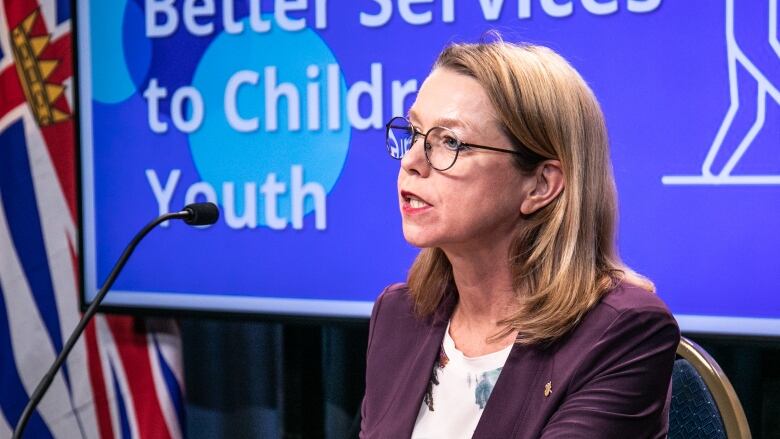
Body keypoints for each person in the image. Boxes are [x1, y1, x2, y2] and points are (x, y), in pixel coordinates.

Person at [360, 38, 680, 438]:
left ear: (540, 185)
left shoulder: (621, 332)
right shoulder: (399, 315)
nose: (411, 162)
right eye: (415, 133)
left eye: (450, 142)